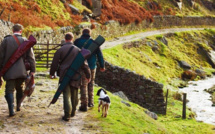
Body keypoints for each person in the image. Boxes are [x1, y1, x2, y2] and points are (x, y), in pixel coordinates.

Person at [50, 32, 90, 121]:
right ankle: (73, 112)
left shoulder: (60, 50)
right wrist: (88, 75)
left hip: (64, 75)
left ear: (65, 38)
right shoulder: (78, 50)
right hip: (76, 75)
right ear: (72, 39)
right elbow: (84, 64)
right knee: (75, 94)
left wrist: (52, 73)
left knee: (66, 95)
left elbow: (54, 63)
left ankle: (67, 114)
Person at [0, 24, 36, 117]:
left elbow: (1, 57)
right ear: (21, 31)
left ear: (12, 30)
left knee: (9, 90)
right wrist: (33, 70)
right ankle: (18, 106)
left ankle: (11, 110)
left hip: (9, 71)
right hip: (22, 71)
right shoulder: (25, 41)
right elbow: (31, 57)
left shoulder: (6, 40)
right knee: (20, 89)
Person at [74, 28, 105, 110]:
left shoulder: (77, 42)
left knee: (83, 85)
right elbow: (100, 55)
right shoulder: (94, 43)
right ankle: (90, 102)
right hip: (91, 66)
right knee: (91, 83)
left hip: (80, 66)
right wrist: (102, 66)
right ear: (90, 33)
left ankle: (84, 104)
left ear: (82, 33)